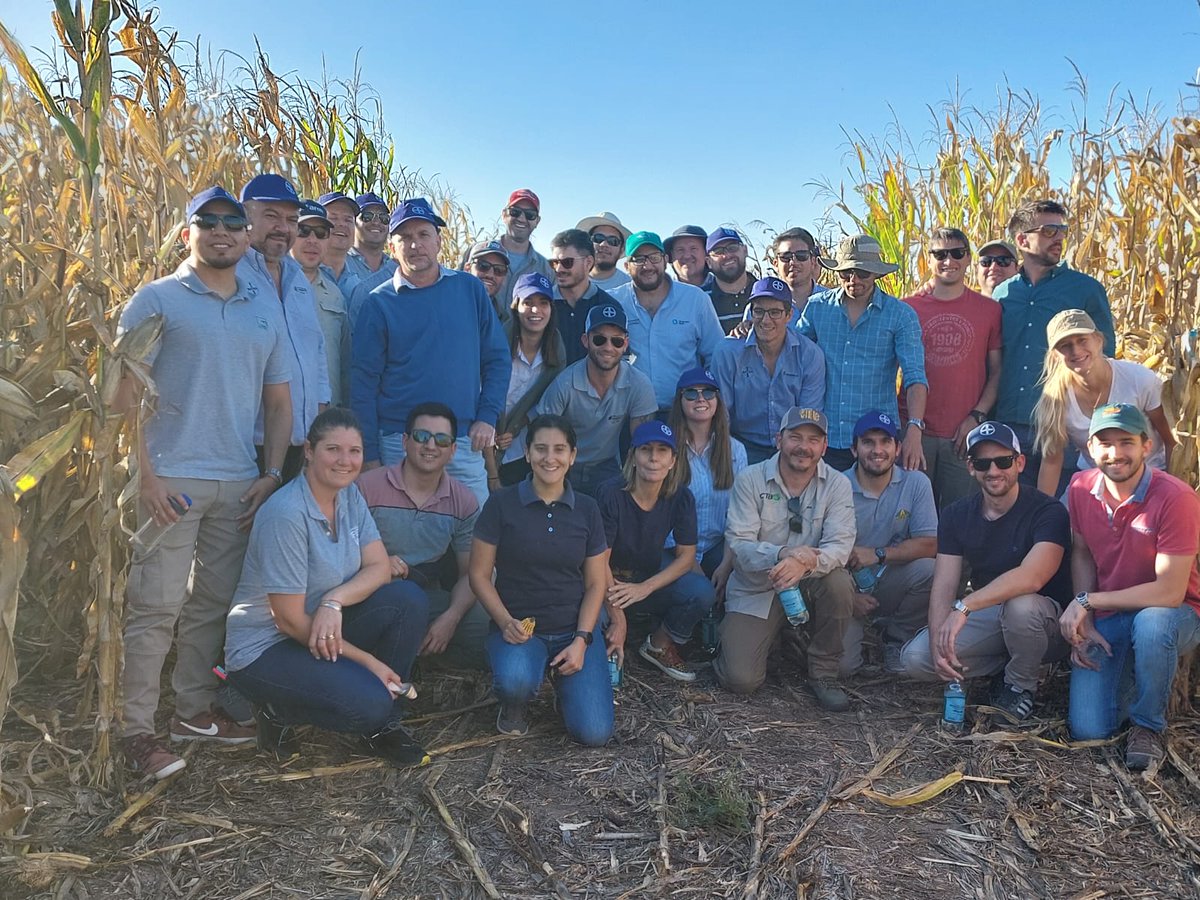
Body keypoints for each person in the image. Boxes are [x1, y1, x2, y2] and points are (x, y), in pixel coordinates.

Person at [114, 186, 292, 779]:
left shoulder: (260, 306)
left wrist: (269, 473)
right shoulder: (156, 301)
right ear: (186, 232)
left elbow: (278, 400)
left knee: (211, 605)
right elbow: (120, 400)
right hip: (172, 482)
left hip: (237, 483)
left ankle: (192, 711)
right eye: (207, 222)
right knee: (156, 607)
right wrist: (145, 476)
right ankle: (134, 731)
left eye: (232, 223)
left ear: (247, 236)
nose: (222, 232)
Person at [224, 408, 430, 766]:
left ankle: (384, 725)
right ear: (309, 450)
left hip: (321, 626)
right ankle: (276, 710)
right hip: (267, 647)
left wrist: (334, 601)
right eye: (333, 449)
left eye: (355, 451)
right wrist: (370, 663)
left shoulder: (348, 497)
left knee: (407, 599)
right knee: (371, 702)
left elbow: (380, 567)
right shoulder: (286, 514)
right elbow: (287, 621)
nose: (345, 461)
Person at [899, 421, 1071, 723]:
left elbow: (1033, 577)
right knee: (916, 659)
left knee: (1021, 606)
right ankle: (1007, 666)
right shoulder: (956, 514)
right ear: (970, 467)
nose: (993, 471)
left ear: (1020, 463)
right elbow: (945, 584)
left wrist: (966, 606)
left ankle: (1020, 686)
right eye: (982, 462)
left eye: (1003, 461)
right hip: (993, 616)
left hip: (1046, 622)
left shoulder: (1048, 511)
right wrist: (942, 644)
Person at [1061, 404, 1200, 769]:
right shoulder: (1079, 487)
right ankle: (1127, 686)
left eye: (1126, 442)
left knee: (1152, 624)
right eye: (1105, 443)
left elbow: (1169, 592)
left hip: (1176, 614)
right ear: (1090, 448)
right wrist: (1086, 620)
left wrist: (1087, 601)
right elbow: (1082, 552)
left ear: (1147, 445)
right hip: (1113, 613)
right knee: (1088, 730)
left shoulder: (1176, 497)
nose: (1115, 453)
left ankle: (1147, 725)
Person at [351, 197, 510, 506]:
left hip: (462, 440)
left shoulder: (470, 289)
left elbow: (497, 359)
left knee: (474, 532)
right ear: (392, 248)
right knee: (398, 537)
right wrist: (369, 454)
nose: (415, 245)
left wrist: (487, 416)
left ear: (438, 241)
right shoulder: (377, 303)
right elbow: (363, 383)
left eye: (423, 235)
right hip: (399, 441)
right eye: (405, 238)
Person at [470, 415, 613, 745]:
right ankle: (513, 705)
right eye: (541, 449)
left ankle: (567, 687)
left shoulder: (588, 509)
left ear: (573, 455)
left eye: (560, 449)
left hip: (573, 628)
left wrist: (582, 640)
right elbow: (478, 574)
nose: (550, 458)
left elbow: (595, 584)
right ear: (528, 453)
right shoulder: (501, 504)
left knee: (594, 734)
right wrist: (505, 621)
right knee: (516, 680)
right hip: (521, 628)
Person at [717, 408, 857, 711]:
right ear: (778, 439)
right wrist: (782, 554)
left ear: (824, 445)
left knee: (839, 583)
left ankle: (823, 671)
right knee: (740, 679)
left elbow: (841, 546)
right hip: (758, 587)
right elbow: (740, 544)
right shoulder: (750, 480)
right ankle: (767, 636)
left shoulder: (837, 484)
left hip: (809, 582)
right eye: (795, 437)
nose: (803, 447)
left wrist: (805, 563)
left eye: (813, 439)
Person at [993, 199, 1116, 489]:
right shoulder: (1002, 293)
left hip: (1063, 429)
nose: (1060, 237)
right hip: (1007, 424)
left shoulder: (1086, 289)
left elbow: (1106, 356)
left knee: (1055, 519)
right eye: (1049, 230)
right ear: (1023, 239)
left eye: (1062, 230)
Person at [358, 402, 489, 670]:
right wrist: (375, 561)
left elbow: (472, 573)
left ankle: (426, 656)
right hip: (371, 591)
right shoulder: (367, 487)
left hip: (427, 594)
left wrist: (450, 619)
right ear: (405, 441)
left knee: (481, 620)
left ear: (453, 450)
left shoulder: (463, 500)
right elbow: (337, 552)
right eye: (421, 436)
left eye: (441, 440)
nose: (431, 446)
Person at [598, 421, 717, 683]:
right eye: (646, 449)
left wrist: (645, 588)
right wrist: (618, 615)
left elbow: (687, 557)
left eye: (662, 451)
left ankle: (658, 644)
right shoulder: (611, 493)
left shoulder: (681, 497)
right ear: (632, 456)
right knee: (594, 623)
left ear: (673, 460)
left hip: (647, 573)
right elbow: (598, 560)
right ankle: (606, 659)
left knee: (701, 591)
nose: (654, 458)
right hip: (606, 579)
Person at [799, 234, 928, 472]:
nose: (853, 280)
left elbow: (915, 375)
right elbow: (794, 357)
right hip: (829, 437)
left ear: (877, 274)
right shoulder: (817, 307)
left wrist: (914, 428)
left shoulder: (900, 314)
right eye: (846, 273)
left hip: (877, 440)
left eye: (862, 273)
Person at [901, 228, 1003, 509]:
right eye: (940, 254)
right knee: (911, 516)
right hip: (915, 432)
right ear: (929, 258)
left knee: (962, 515)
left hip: (963, 433)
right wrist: (909, 427)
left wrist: (976, 416)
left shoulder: (989, 310)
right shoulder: (907, 308)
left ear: (969, 258)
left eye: (957, 253)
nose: (949, 260)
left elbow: (996, 372)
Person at [238, 174, 330, 482]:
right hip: (249, 444)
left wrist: (315, 435)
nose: (283, 227)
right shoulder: (231, 274)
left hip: (300, 444)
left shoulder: (297, 278)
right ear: (245, 216)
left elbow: (315, 355)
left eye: (292, 220)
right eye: (271, 216)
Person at [1033, 309, 1174, 498]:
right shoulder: (1055, 400)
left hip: (1152, 477)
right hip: (1096, 481)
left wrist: (1173, 491)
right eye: (1065, 346)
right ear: (1054, 355)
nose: (1075, 351)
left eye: (1082, 340)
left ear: (1098, 340)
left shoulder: (1139, 379)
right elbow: (1051, 461)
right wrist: (1041, 512)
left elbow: (1172, 440)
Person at [842, 412, 937, 676]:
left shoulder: (916, 482)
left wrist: (878, 554)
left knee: (931, 571)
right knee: (843, 668)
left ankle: (896, 637)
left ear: (898, 449)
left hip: (889, 577)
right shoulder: (836, 485)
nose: (878, 450)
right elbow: (819, 552)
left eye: (886, 442)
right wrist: (849, 598)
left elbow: (930, 544)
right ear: (854, 449)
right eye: (868, 442)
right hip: (844, 584)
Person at [535, 302, 657, 497]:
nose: (608, 347)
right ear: (585, 340)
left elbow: (642, 442)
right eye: (599, 339)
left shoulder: (639, 384)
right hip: (564, 465)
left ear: (625, 344)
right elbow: (542, 436)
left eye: (616, 341)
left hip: (607, 467)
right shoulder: (564, 384)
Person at [712, 277, 826, 464]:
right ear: (750, 313)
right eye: (759, 311)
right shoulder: (727, 352)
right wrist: (726, 457)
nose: (766, 320)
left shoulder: (810, 354)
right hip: (742, 445)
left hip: (793, 447)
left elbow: (808, 418)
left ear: (789, 315)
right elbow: (721, 415)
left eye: (775, 312)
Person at [609, 231, 724, 413]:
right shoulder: (613, 301)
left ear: (665, 260)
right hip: (628, 412)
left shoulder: (695, 299)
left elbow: (716, 356)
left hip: (684, 412)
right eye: (638, 259)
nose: (647, 265)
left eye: (654, 257)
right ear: (626, 265)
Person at [666, 367, 748, 590]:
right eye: (691, 393)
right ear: (680, 400)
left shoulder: (736, 451)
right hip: (673, 549)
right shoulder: (665, 449)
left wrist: (726, 565)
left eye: (709, 392)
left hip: (719, 547)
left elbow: (739, 515)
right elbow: (662, 520)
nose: (700, 398)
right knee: (699, 593)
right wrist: (692, 566)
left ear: (718, 400)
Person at [486, 273, 567, 489]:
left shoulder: (556, 349)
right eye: (528, 303)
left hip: (521, 447)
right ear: (516, 306)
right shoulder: (496, 342)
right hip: (482, 440)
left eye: (543, 303)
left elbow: (547, 402)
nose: (536, 310)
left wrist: (516, 428)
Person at [291, 200, 350, 408]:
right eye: (303, 231)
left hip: (327, 420)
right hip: (278, 424)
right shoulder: (269, 287)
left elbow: (344, 363)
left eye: (321, 233)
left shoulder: (335, 295)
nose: (312, 240)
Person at [733, 227, 832, 337]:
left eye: (801, 256)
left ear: (813, 261)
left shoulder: (832, 303)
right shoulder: (758, 307)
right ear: (775, 264)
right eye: (786, 257)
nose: (793, 262)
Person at [549, 229, 615, 364]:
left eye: (567, 262)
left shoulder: (608, 306)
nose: (559, 269)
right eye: (554, 262)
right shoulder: (542, 304)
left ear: (588, 262)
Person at [491, 188, 554, 306]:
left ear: (537, 221)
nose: (521, 218)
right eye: (515, 212)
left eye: (530, 215)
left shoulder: (547, 269)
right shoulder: (476, 254)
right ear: (504, 215)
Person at [704, 227, 756, 334]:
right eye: (718, 251)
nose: (726, 255)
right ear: (708, 262)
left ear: (745, 250)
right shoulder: (700, 300)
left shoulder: (767, 293)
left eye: (732, 248)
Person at [317, 191, 362, 298]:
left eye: (348, 220)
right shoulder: (300, 275)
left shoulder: (360, 283)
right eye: (333, 218)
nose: (342, 224)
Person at [345, 191, 398, 282]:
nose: (376, 222)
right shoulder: (341, 264)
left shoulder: (397, 269)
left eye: (383, 218)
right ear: (352, 221)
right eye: (367, 217)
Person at [576, 211, 632, 293]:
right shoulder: (569, 281)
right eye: (598, 238)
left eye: (613, 241)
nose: (604, 244)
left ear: (622, 249)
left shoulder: (631, 288)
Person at [466, 239, 513, 325]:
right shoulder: (447, 304)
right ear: (467, 268)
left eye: (499, 269)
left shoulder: (505, 321)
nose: (490, 275)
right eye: (483, 266)